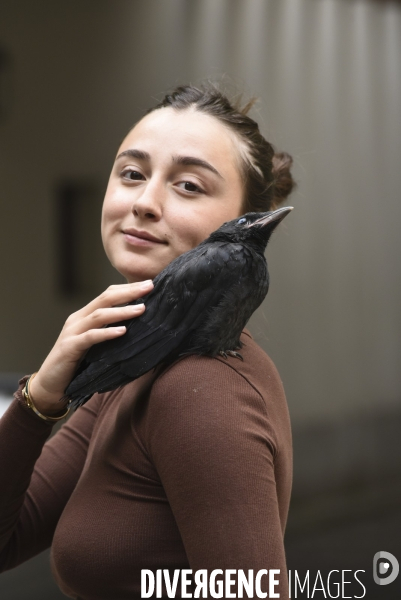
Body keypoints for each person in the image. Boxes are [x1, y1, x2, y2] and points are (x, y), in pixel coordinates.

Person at [0, 83, 294, 599]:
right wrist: (40, 397)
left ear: (244, 224)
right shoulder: (143, 364)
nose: (145, 203)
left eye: (188, 186)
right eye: (132, 174)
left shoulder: (200, 386)